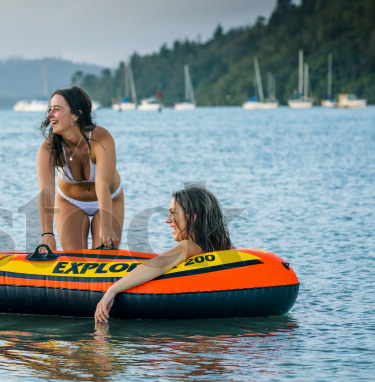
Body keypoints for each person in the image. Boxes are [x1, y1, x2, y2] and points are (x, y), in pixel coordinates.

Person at [94, 186, 232, 322]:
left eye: (173, 213)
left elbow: (158, 264)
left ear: (193, 217)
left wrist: (112, 290)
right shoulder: (223, 246)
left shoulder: (188, 246)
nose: (168, 220)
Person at [37, 87, 123, 251]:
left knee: (105, 258)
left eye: (56, 109)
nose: (49, 115)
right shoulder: (48, 149)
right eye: (50, 109)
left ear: (76, 115)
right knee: (74, 260)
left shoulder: (101, 138)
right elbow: (46, 193)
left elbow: (102, 185)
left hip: (109, 199)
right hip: (70, 202)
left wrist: (105, 224)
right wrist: (47, 234)